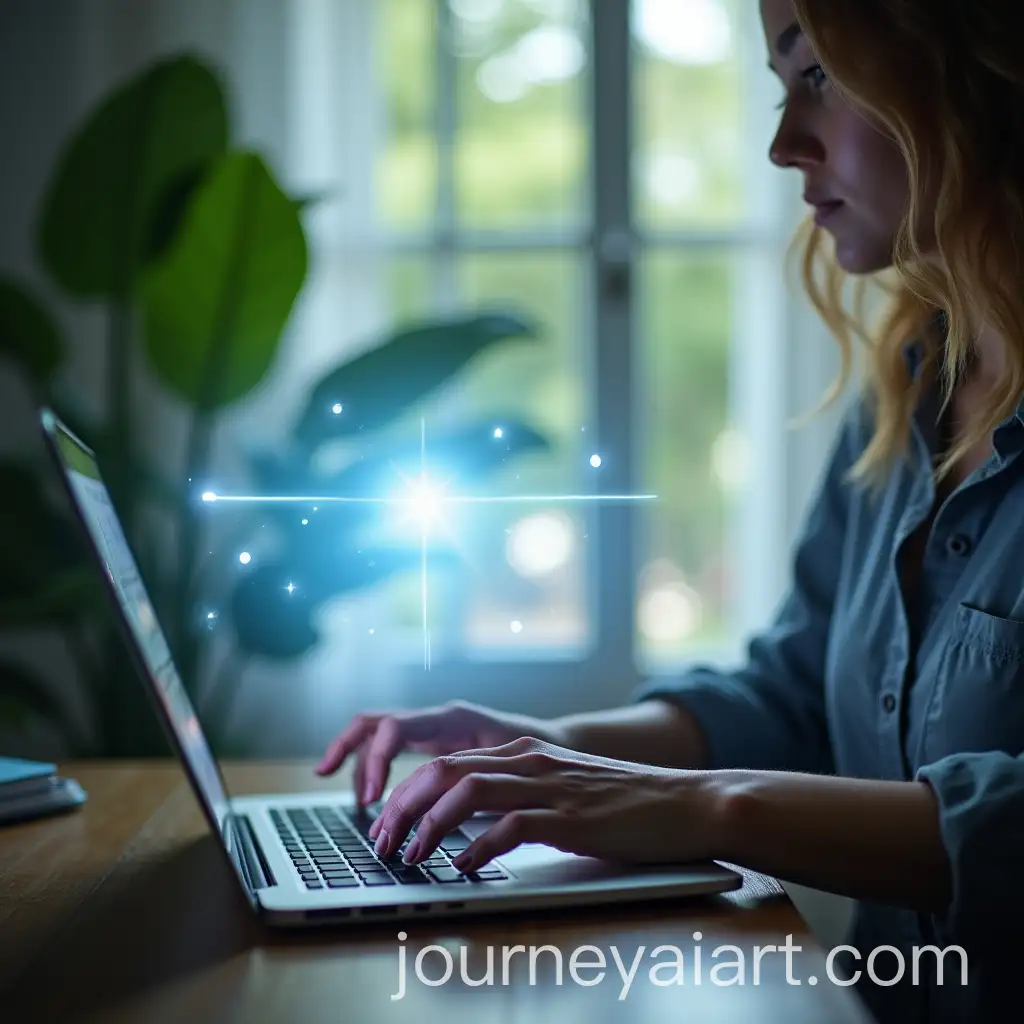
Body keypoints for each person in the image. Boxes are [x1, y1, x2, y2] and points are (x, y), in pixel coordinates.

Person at [316, 1, 1024, 1020]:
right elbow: (793, 696)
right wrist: (548, 753)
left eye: (816, 75)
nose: (783, 144)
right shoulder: (906, 387)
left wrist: (701, 806)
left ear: (971, 72)